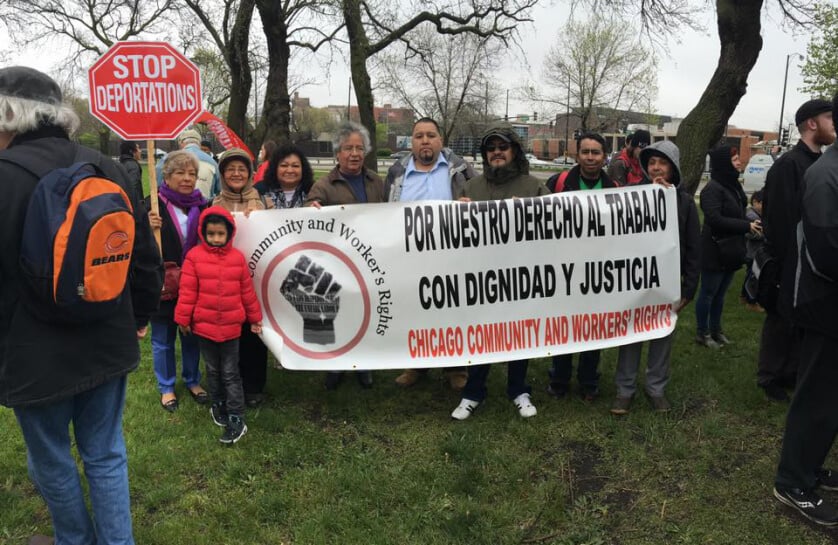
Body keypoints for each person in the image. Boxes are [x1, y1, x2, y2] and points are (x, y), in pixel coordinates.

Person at [0, 66, 162, 545]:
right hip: (107, 338)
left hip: (32, 354)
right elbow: (145, 257)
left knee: (49, 457)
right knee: (106, 453)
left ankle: (75, 541)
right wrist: (138, 316)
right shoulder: (106, 166)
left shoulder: (4, 178)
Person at [450, 124, 547, 420]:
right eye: (491, 148)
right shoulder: (472, 187)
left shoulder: (533, 186)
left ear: (514, 151)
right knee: (482, 332)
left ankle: (518, 389)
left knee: (519, 333)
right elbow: (452, 233)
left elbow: (557, 222)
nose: (496, 153)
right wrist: (456, 211)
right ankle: (473, 392)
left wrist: (532, 210)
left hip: (521, 273)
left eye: (502, 147)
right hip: (482, 276)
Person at [773, 93, 838, 526]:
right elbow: (826, 250)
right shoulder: (825, 174)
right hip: (825, 306)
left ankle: (810, 468)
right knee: (817, 396)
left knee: (830, 399)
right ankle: (792, 482)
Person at [385, 117, 475, 390]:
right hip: (410, 255)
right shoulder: (397, 172)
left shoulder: (460, 170)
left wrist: (471, 204)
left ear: (441, 141)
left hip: (451, 253)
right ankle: (417, 364)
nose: (425, 140)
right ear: (411, 142)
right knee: (415, 310)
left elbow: (480, 201)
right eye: (419, 136)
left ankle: (457, 367)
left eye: (430, 135)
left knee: (453, 310)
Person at [611, 141, 700, 415]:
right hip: (636, 281)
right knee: (631, 336)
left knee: (662, 337)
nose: (656, 168)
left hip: (668, 284)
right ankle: (624, 391)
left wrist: (689, 288)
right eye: (651, 163)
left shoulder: (684, 202)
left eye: (662, 163)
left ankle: (656, 389)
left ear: (673, 168)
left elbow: (694, 248)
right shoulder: (632, 196)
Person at [758, 99, 834, 401]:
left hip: (813, 260)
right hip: (789, 259)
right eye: (829, 117)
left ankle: (792, 371)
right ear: (812, 123)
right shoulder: (789, 164)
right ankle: (769, 377)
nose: (834, 123)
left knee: (801, 320)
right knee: (780, 319)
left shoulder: (820, 164)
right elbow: (777, 219)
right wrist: (787, 261)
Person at [306, 121, 385, 390]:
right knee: (338, 315)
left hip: (372, 261)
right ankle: (336, 365)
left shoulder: (377, 181)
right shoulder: (325, 185)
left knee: (367, 313)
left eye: (359, 148)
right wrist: (311, 208)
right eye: (348, 148)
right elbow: (307, 213)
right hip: (338, 264)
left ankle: (364, 365)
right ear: (337, 153)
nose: (354, 153)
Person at [175, 206, 263, 444]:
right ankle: (218, 403)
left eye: (220, 234)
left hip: (231, 329)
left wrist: (255, 318)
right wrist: (183, 318)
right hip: (204, 328)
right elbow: (187, 291)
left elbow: (247, 291)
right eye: (211, 234)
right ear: (203, 233)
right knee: (213, 371)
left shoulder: (237, 259)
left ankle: (237, 417)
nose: (215, 239)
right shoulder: (194, 257)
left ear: (229, 234)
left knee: (231, 373)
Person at [547, 132, 617, 402]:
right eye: (585, 152)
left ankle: (589, 381)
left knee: (592, 329)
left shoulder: (614, 188)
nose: (590, 157)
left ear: (604, 156)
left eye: (596, 152)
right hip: (563, 269)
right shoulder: (559, 182)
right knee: (563, 327)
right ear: (577, 155)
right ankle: (559, 379)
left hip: (598, 271)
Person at [147, 150, 210, 411]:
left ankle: (193, 380)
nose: (187, 178)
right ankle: (167, 387)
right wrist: (145, 225)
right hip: (163, 283)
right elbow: (135, 243)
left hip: (195, 283)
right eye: (180, 173)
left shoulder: (204, 206)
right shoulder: (151, 205)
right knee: (163, 338)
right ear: (167, 176)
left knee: (191, 336)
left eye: (192, 174)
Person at [212, 148, 274, 407]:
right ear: (223, 174)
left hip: (258, 281)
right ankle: (231, 383)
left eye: (242, 169)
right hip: (226, 283)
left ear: (249, 173)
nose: (236, 174)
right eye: (230, 169)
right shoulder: (214, 204)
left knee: (255, 335)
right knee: (230, 336)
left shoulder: (266, 202)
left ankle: (254, 386)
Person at [695, 146, 761, 348]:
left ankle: (716, 330)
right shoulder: (712, 189)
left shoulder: (732, 185)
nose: (739, 162)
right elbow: (714, 219)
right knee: (708, 294)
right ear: (724, 163)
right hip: (715, 249)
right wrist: (746, 225)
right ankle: (702, 333)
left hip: (732, 249)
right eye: (734, 159)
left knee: (720, 295)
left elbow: (739, 210)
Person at [156, 127, 218, 199]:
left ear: (181, 142)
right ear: (199, 143)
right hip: (204, 205)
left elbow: (158, 183)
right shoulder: (213, 162)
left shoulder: (167, 159)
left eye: (192, 174)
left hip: (170, 204)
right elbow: (218, 189)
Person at [258, 143, 315, 209]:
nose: (290, 170)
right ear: (275, 168)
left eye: (295, 166)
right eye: (284, 165)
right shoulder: (259, 191)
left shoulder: (314, 192)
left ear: (303, 168)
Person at [741, 189, 764, 310]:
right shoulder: (751, 216)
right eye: (762, 203)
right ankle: (751, 301)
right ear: (755, 202)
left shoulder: (760, 215)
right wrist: (766, 235)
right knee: (752, 277)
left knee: (750, 275)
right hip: (751, 252)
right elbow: (750, 234)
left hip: (756, 252)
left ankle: (744, 296)